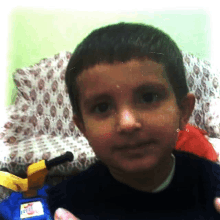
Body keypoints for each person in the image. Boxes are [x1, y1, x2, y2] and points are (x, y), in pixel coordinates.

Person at [46, 22, 220, 220]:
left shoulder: (214, 186)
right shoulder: (65, 204)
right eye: (102, 107)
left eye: (148, 97)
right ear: (83, 128)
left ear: (183, 111)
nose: (127, 123)